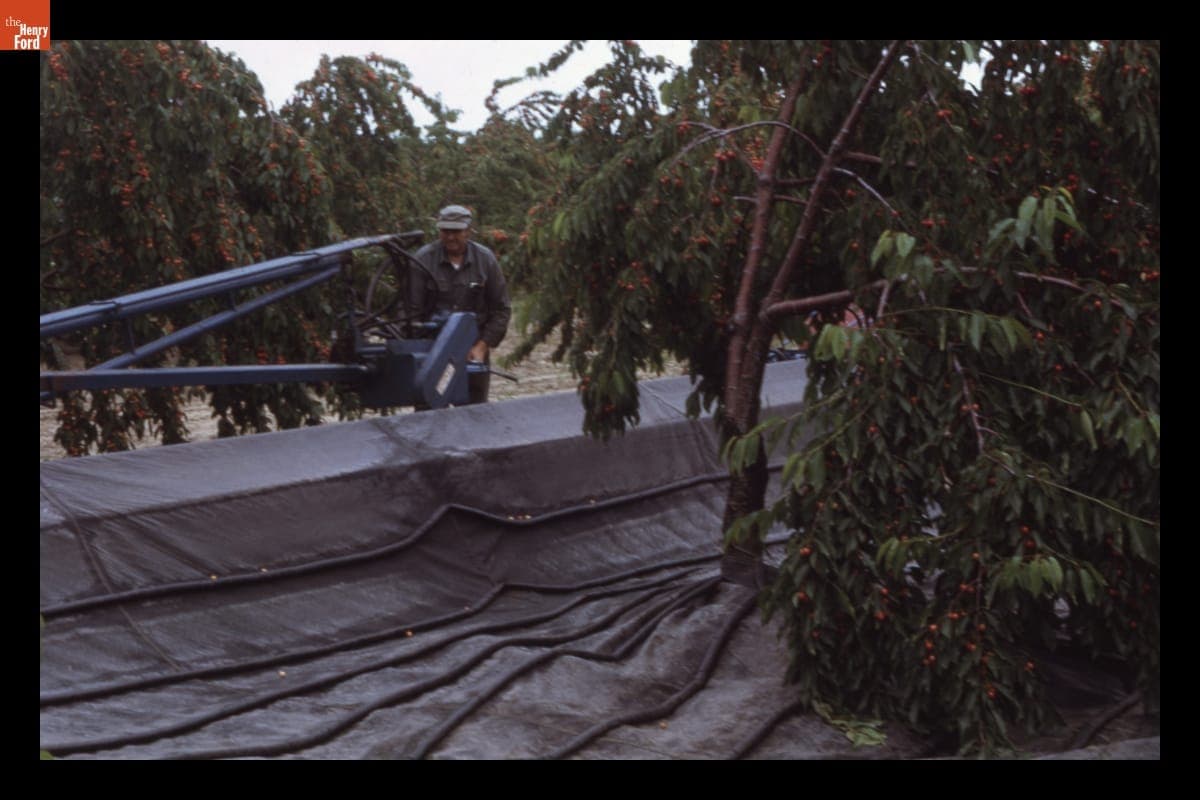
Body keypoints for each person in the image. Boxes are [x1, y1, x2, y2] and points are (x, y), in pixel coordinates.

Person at [409, 204, 512, 404]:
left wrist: (482, 346)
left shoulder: (485, 260)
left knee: (475, 414)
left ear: (468, 231)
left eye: (456, 231)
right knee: (429, 414)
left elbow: (501, 309)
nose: (450, 237)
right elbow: (409, 313)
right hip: (432, 353)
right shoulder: (423, 260)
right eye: (445, 231)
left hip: (472, 352)